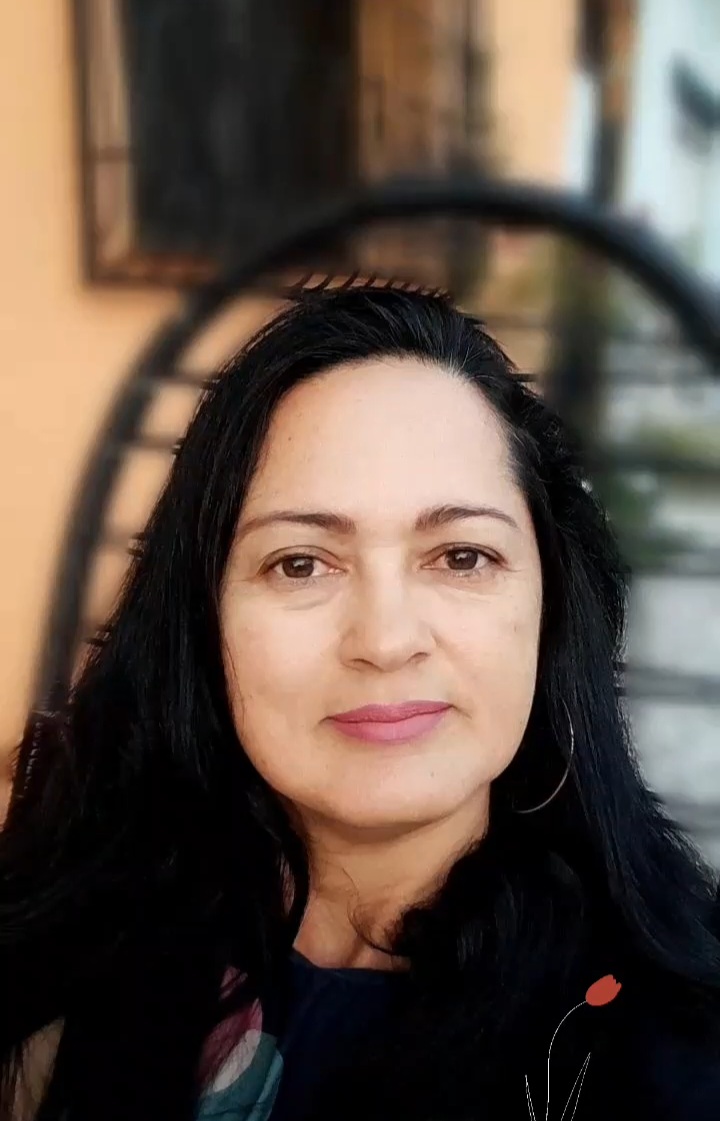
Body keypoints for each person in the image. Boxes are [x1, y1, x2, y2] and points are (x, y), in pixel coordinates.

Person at [1, 286, 719, 1121]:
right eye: (300, 563)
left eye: (461, 556)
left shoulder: (668, 1045)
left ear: (552, 605)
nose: (385, 639)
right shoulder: (64, 959)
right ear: (204, 618)